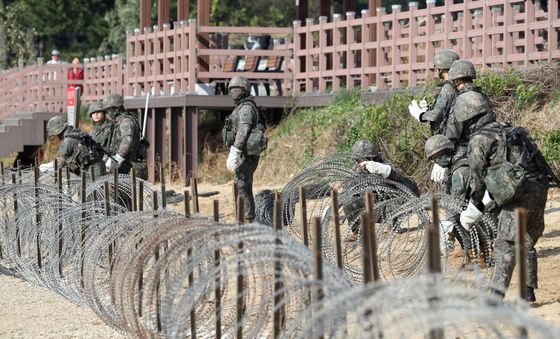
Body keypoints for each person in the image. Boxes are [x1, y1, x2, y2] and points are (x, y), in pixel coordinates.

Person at [454, 90, 552, 302]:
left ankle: (495, 298)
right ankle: (527, 292)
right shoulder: (512, 129)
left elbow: (477, 177)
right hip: (540, 189)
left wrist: (476, 204)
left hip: (517, 195)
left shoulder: (479, 139)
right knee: (525, 241)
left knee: (505, 244)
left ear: (467, 118)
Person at [344, 140, 420, 242]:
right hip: (370, 209)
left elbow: (403, 178)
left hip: (389, 207)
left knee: (402, 196)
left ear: (372, 158)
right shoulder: (356, 173)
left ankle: (393, 227)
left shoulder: (384, 166)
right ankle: (358, 232)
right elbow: (348, 193)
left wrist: (385, 171)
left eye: (360, 160)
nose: (358, 163)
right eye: (356, 160)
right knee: (349, 203)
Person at [409, 49, 460, 184]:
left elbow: (438, 114)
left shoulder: (447, 88)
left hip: (449, 141)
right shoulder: (456, 86)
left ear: (440, 68)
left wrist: (421, 115)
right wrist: (429, 108)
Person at [223, 76, 267, 222]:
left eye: (237, 89)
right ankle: (246, 216)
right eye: (232, 89)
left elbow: (244, 128)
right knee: (243, 185)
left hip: (247, 154)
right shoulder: (242, 106)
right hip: (244, 153)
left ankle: (246, 218)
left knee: (241, 184)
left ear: (244, 90)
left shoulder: (246, 108)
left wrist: (235, 150)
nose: (234, 92)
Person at [39, 116, 105, 176]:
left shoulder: (68, 141)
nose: (55, 136)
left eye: (54, 134)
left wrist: (46, 167)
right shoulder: (78, 133)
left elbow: (60, 163)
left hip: (90, 173)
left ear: (58, 131)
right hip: (98, 168)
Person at [103, 93, 148, 180]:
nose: (108, 113)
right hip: (120, 164)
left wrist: (117, 159)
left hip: (125, 165)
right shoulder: (117, 122)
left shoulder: (126, 121)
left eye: (109, 109)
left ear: (116, 109)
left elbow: (127, 141)